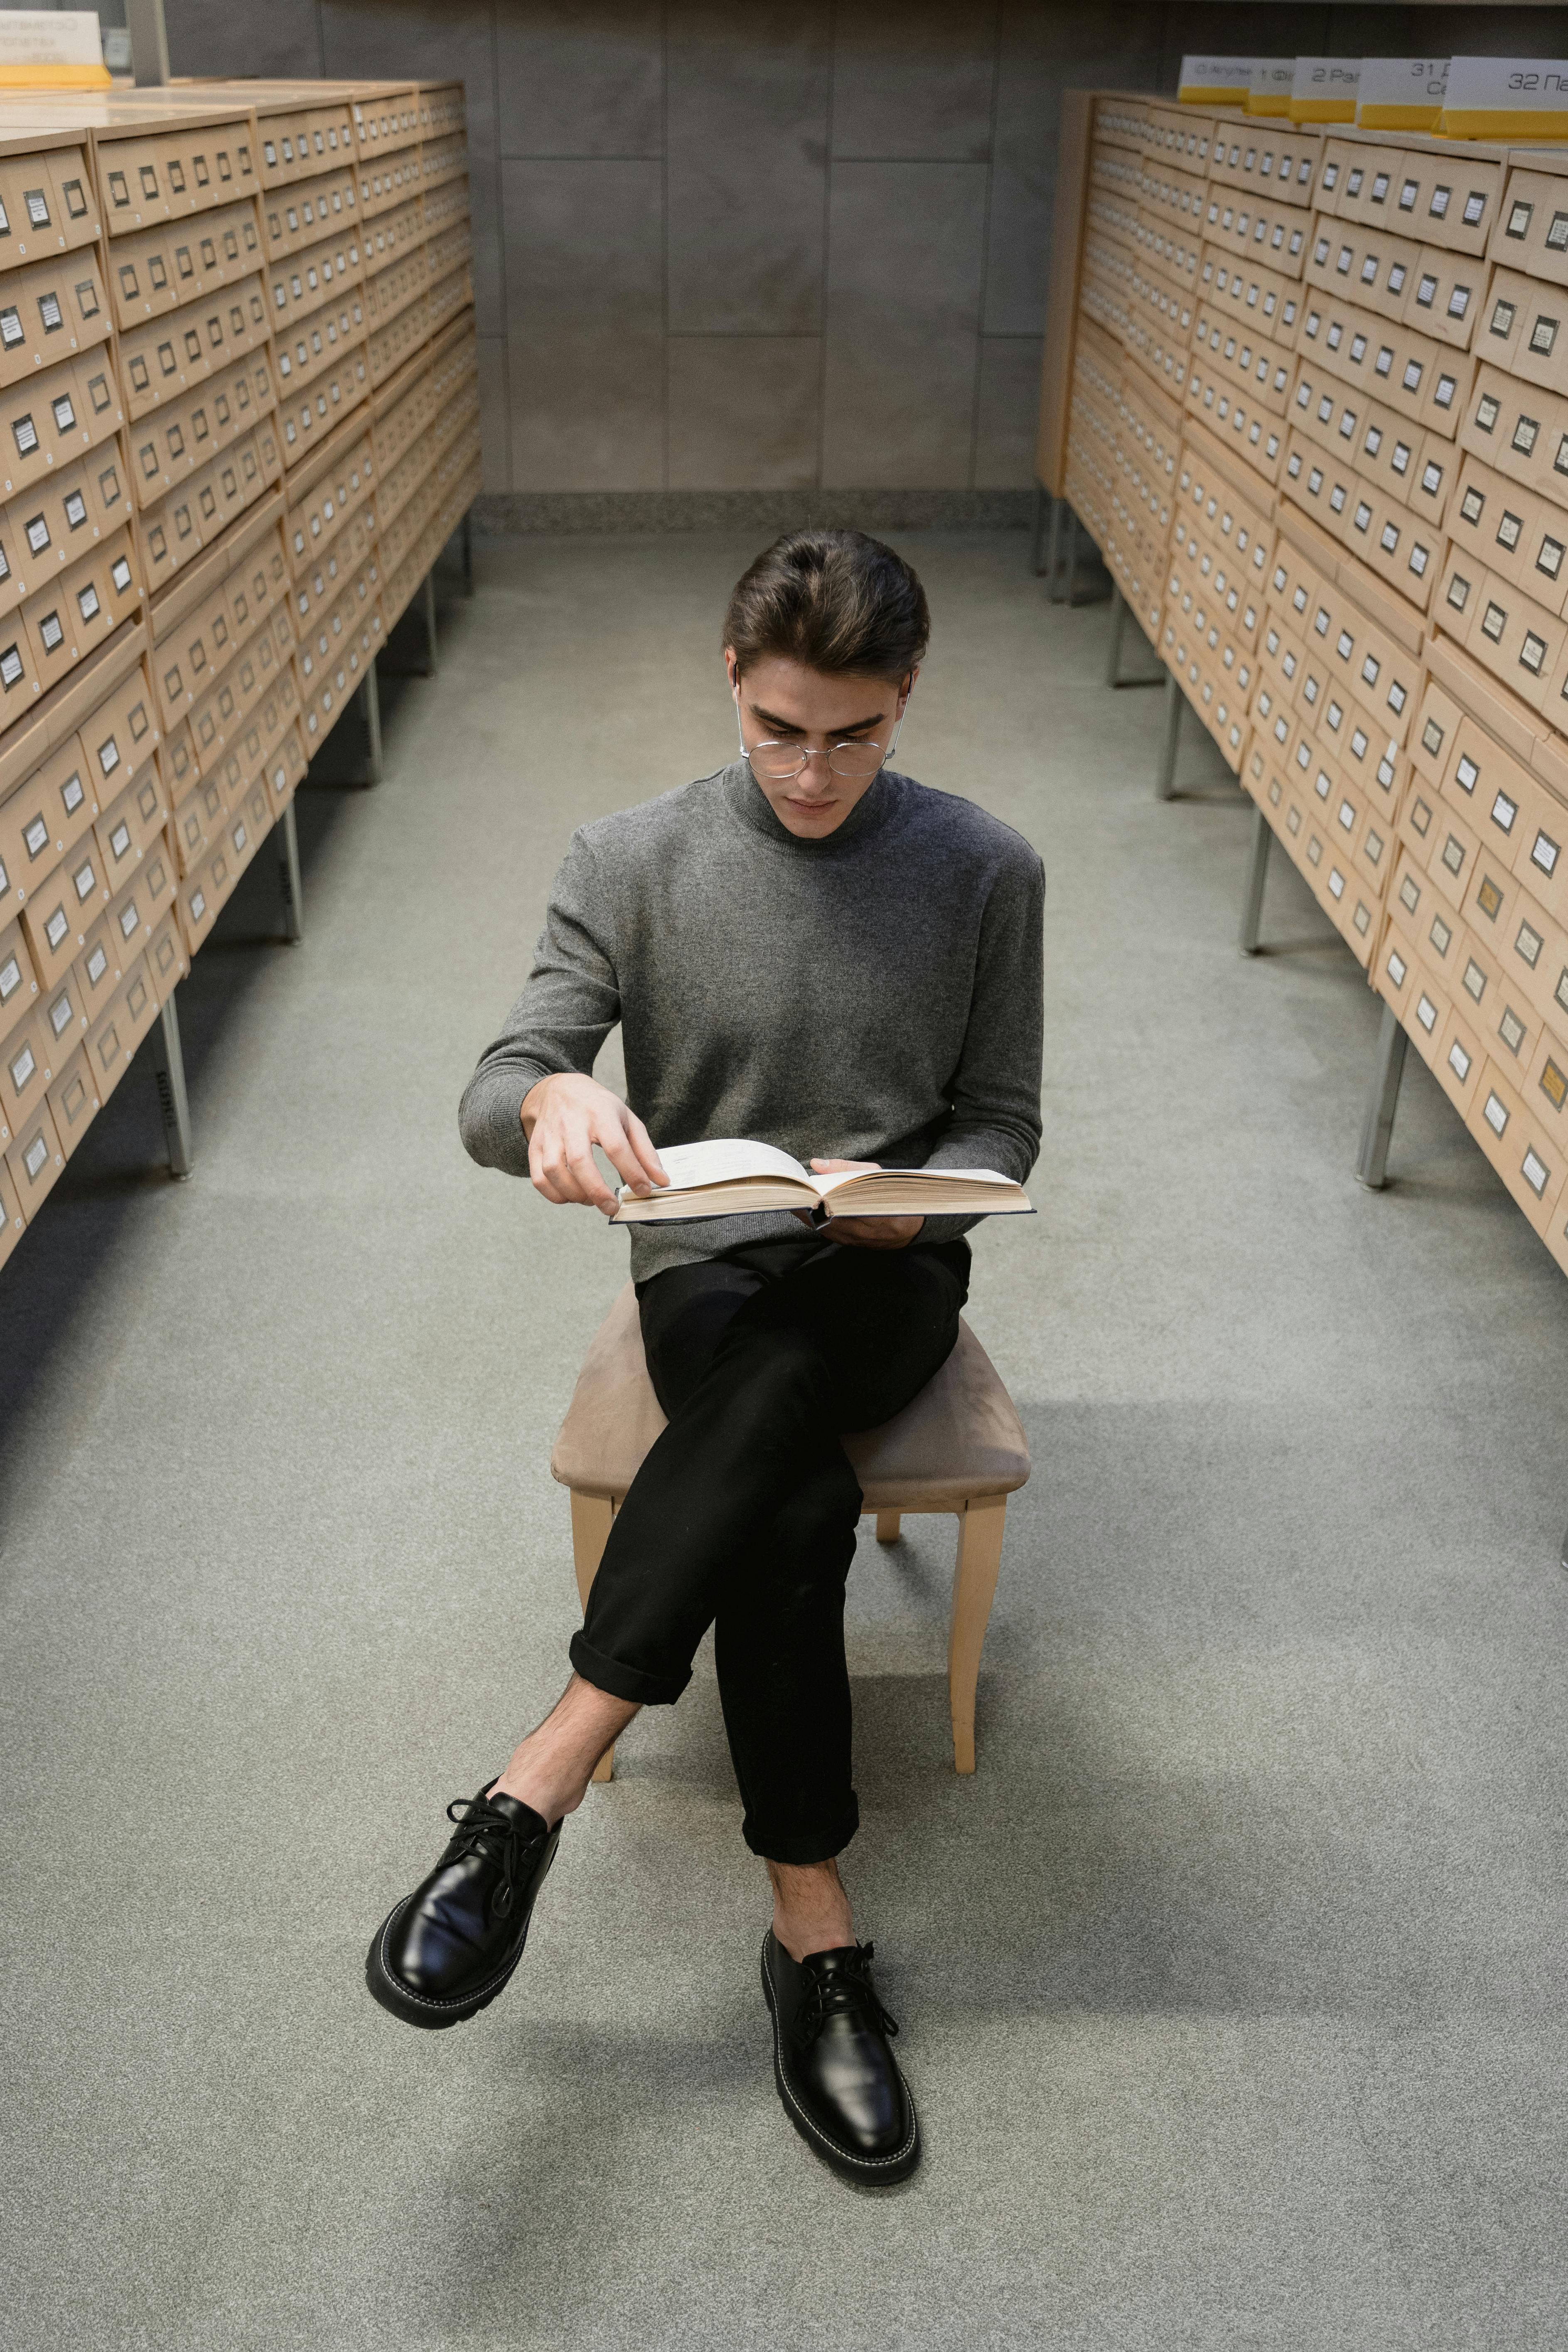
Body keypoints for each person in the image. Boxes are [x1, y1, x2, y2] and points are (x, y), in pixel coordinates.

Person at [366, 528, 1045, 2185]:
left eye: (854, 734)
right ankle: (811, 1941)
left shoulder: (984, 868)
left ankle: (538, 1783)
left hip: (886, 1266)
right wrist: (554, 1100)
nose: (812, 772)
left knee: (800, 1401)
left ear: (904, 705)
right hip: (711, 1268)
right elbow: (498, 1076)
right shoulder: (631, 857)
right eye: (778, 731)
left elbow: (1002, 1116)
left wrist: (913, 1195)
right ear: (731, 688)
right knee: (793, 1508)